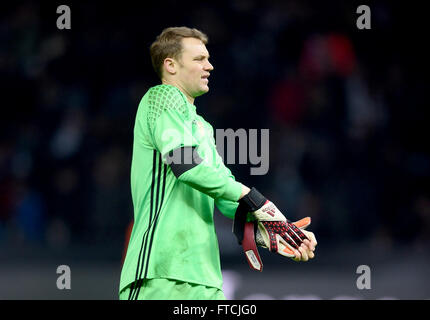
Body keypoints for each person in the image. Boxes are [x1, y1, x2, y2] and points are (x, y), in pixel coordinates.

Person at [119, 26, 317, 300]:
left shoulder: (202, 127)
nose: (209, 66)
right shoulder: (161, 97)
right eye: (199, 59)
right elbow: (185, 165)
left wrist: (273, 227)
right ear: (171, 65)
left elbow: (224, 194)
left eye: (209, 59)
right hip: (160, 272)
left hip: (206, 278)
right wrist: (252, 197)